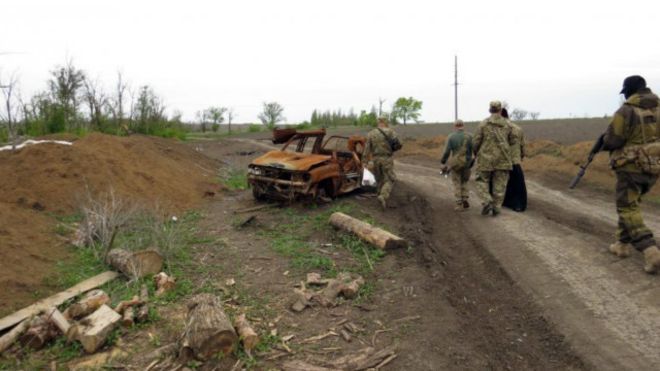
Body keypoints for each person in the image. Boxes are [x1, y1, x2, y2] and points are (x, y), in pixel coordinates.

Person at [603, 75, 660, 274]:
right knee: (631, 205)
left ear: (629, 91)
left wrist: (605, 142)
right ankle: (621, 245)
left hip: (630, 168)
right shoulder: (658, 108)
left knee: (627, 208)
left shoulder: (626, 111)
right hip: (653, 168)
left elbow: (613, 141)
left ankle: (651, 252)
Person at [473, 101, 516, 216]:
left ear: (489, 110)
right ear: (500, 110)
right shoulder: (509, 125)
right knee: (500, 184)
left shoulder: (483, 124)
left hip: (485, 159)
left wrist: (475, 152)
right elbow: (513, 141)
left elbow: (476, 141)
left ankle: (487, 201)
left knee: (481, 181)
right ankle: (497, 207)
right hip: (503, 159)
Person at [364, 117, 400, 209]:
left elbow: (366, 149)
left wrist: (365, 161)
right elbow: (399, 145)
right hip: (386, 159)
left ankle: (378, 199)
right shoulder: (391, 132)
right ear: (385, 122)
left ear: (378, 122)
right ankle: (383, 196)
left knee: (379, 179)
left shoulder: (371, 133)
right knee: (390, 179)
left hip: (375, 159)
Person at [440, 119, 473, 211]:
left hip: (456, 163)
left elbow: (446, 151)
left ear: (455, 126)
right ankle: (465, 198)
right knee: (465, 181)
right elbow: (475, 149)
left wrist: (443, 161)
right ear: (463, 125)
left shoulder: (451, 137)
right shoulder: (470, 136)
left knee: (456, 182)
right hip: (467, 162)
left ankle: (459, 203)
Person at [501, 108, 528, 211]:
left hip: (501, 160)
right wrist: (521, 155)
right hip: (514, 160)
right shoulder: (517, 128)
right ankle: (519, 204)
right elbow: (522, 145)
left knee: (499, 181)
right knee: (517, 182)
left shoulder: (498, 128)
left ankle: (502, 201)